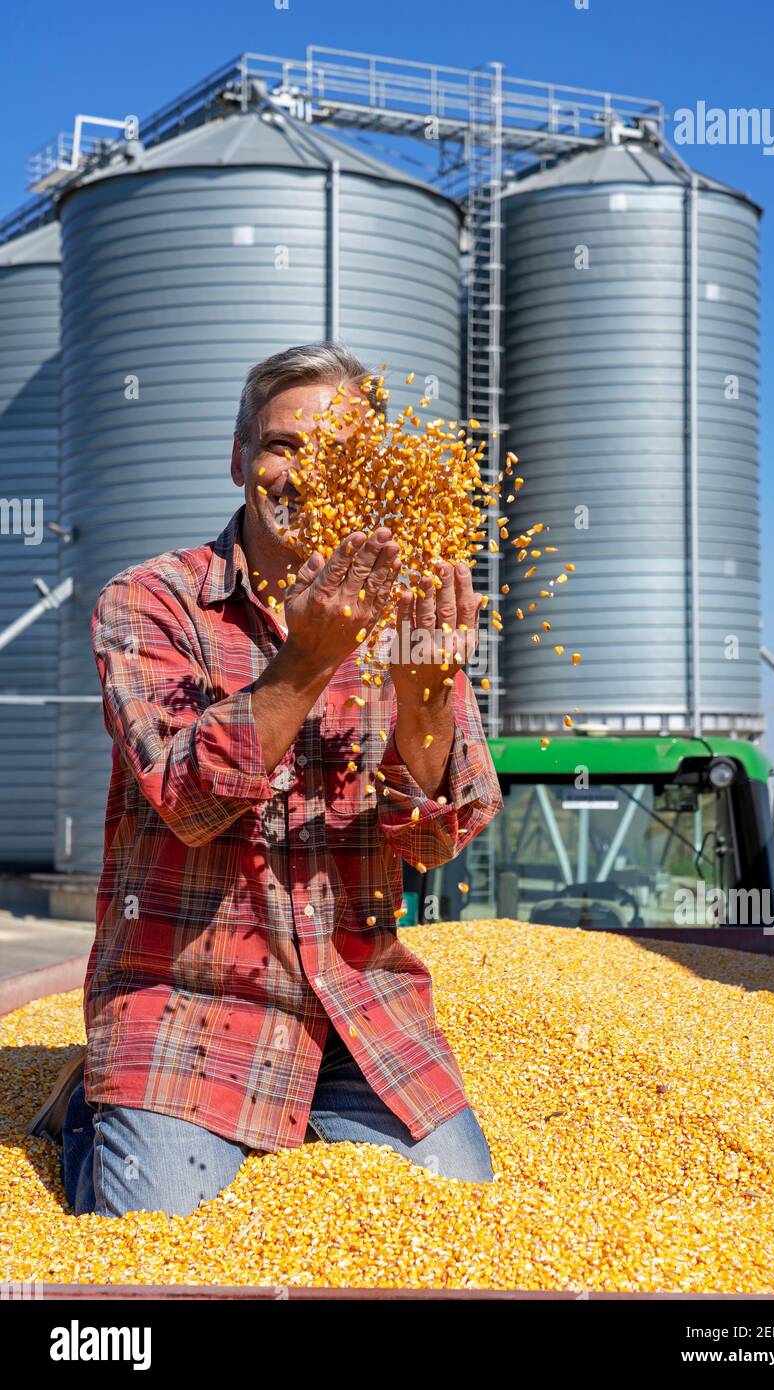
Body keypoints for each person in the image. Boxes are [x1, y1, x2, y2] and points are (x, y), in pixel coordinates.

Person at [28, 343, 503, 1217]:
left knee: (461, 1207)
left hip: (356, 1012)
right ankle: (94, 1106)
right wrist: (310, 659)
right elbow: (187, 801)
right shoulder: (153, 602)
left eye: (340, 459)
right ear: (240, 457)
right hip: (186, 1007)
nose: (306, 477)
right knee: (161, 1231)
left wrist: (426, 699)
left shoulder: (404, 612)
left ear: (375, 475)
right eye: (284, 446)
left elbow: (443, 836)